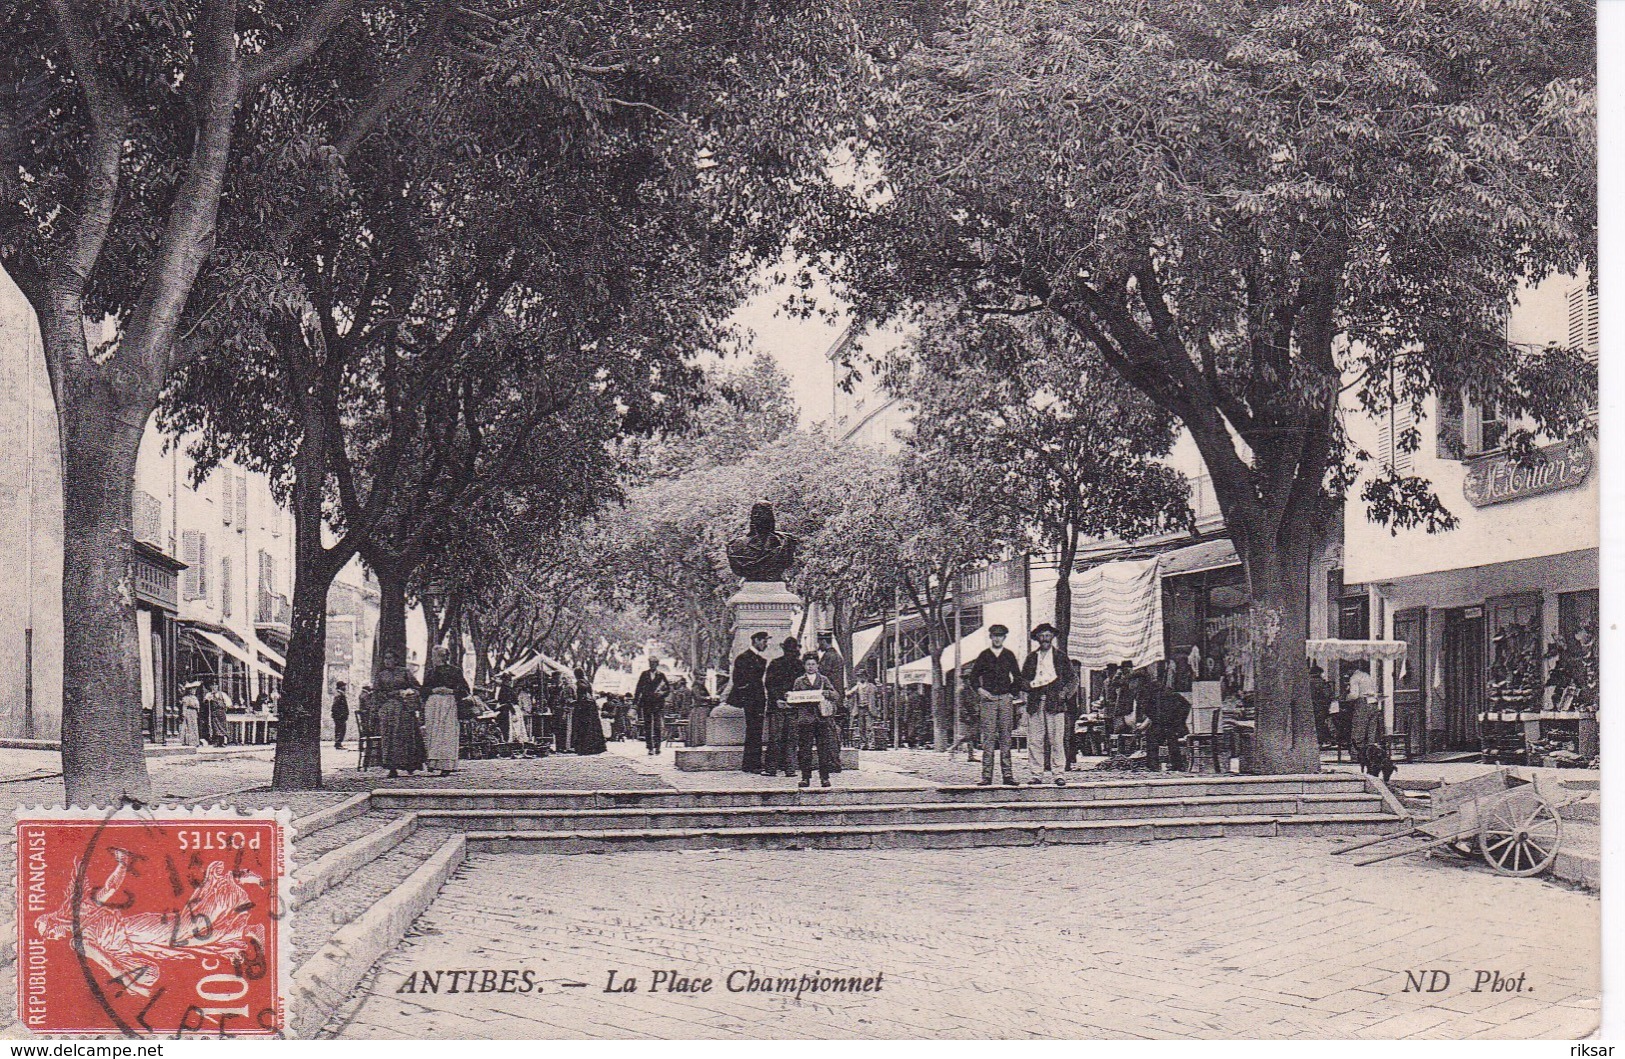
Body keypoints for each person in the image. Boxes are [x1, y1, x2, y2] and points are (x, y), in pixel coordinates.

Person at [966, 624, 1022, 786]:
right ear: (990, 637)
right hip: (988, 700)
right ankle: (986, 776)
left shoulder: (1009, 655)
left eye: (1000, 636)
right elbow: (973, 677)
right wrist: (980, 691)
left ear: (1004, 638)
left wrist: (1011, 693)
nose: (997, 639)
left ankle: (1008, 775)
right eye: (995, 636)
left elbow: (1017, 676)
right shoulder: (984, 655)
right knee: (988, 738)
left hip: (1005, 699)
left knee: (1006, 737)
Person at [1019, 623, 1074, 785]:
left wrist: (1064, 693)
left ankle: (1058, 774)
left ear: (1052, 637)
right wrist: (1029, 686)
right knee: (1035, 740)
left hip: (1055, 704)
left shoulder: (1061, 657)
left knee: (1056, 740)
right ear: (1037, 638)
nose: (1045, 639)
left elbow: (1073, 679)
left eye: (1048, 635)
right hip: (1035, 704)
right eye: (1042, 635)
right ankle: (1036, 774)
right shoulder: (1031, 658)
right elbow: (1023, 679)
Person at [786, 653, 839, 788]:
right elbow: (794, 700)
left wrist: (827, 693)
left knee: (823, 749)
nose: (810, 667)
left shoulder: (823, 680)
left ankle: (824, 778)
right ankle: (805, 778)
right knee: (805, 750)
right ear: (804, 666)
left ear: (817, 665)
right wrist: (789, 698)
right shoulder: (799, 681)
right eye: (808, 664)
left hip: (821, 719)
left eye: (813, 664)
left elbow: (835, 695)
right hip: (805, 719)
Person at [374, 649, 425, 778]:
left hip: (404, 709)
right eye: (385, 658)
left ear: (396, 660)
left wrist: (409, 693)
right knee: (389, 737)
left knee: (406, 736)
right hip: (388, 710)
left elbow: (417, 687)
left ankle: (410, 764)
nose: (387, 661)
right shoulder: (381, 675)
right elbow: (377, 693)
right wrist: (393, 694)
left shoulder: (405, 672)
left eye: (390, 658)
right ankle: (392, 767)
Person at [422, 646, 468, 775]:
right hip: (433, 704)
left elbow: (465, 690)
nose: (433, 659)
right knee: (433, 732)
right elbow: (423, 690)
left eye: (436, 656)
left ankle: (446, 765)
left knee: (447, 732)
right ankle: (433, 763)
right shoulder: (430, 673)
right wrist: (433, 690)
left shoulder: (455, 671)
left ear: (443, 657)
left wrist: (451, 691)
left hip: (448, 703)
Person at [730, 631, 771, 772]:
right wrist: (746, 695)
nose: (766, 644)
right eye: (764, 641)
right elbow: (738, 680)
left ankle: (752, 763)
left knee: (756, 730)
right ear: (756, 640)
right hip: (751, 699)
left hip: (758, 699)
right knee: (753, 730)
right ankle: (752, 764)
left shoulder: (760, 659)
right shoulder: (743, 658)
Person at [763, 637, 803, 777]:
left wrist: (779, 699)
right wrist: (780, 699)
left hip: (784, 707)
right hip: (784, 707)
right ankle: (787, 768)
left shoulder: (778, 663)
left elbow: (769, 684)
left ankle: (774, 768)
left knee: (780, 738)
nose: (791, 653)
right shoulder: (797, 665)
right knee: (787, 739)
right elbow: (769, 684)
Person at [1139, 678, 1191, 771]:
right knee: (1172, 741)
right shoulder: (1173, 694)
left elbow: (1147, 710)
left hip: (1163, 724)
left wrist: (1155, 719)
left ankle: (1153, 765)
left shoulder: (1154, 696)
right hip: (1173, 725)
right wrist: (1180, 720)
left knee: (1151, 738)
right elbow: (1186, 705)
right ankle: (1177, 765)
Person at [633, 658, 671, 756]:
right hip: (646, 703)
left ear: (657, 664)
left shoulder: (661, 675)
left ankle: (657, 747)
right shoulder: (644, 674)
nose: (652, 665)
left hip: (658, 703)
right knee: (647, 726)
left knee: (657, 726)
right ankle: (650, 747)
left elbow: (668, 689)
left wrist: (662, 694)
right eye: (650, 663)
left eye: (654, 663)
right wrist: (635, 703)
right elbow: (638, 689)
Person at [1345, 663, 1382, 755]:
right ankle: (1371, 754)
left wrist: (1346, 697)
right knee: (1371, 732)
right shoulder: (1367, 676)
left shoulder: (1354, 677)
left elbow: (1354, 695)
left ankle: (1356, 754)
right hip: (1374, 703)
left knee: (1359, 730)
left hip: (1363, 703)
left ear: (1350, 670)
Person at [572, 669, 607, 755]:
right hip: (591, 706)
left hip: (583, 707)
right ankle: (595, 747)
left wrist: (577, 702)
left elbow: (581, 694)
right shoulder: (587, 682)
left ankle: (584, 747)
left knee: (583, 726)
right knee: (592, 726)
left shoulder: (579, 682)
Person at [1309, 663, 1336, 747]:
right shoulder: (1321, 682)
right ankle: (1326, 741)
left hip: (1312, 706)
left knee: (1316, 723)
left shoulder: (1307, 682)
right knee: (1322, 723)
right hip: (1321, 706)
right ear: (1319, 673)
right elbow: (1328, 695)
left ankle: (1319, 741)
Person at [851, 672, 879, 750]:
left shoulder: (871, 686)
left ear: (866, 677)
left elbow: (878, 694)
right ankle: (863, 743)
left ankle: (871, 744)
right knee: (861, 727)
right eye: (859, 676)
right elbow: (849, 694)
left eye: (862, 676)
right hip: (860, 709)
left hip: (868, 709)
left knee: (869, 727)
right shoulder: (857, 686)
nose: (861, 678)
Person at [202, 680, 233, 747]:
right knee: (215, 727)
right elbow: (205, 703)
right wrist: (207, 700)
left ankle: (222, 742)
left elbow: (229, 703)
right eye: (212, 686)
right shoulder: (209, 695)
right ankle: (216, 742)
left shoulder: (222, 694)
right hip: (213, 713)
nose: (214, 688)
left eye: (215, 686)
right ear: (210, 687)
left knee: (222, 727)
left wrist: (225, 707)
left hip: (221, 713)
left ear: (217, 687)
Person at [683, 679, 711, 747]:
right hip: (698, 708)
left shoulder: (702, 687)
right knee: (699, 725)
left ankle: (701, 741)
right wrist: (708, 698)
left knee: (702, 725)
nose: (703, 680)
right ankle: (699, 741)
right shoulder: (695, 687)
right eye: (701, 678)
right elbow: (698, 697)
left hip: (702, 708)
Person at [495, 674, 518, 743]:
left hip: (506, 708)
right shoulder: (506, 689)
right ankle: (508, 740)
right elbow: (507, 701)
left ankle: (508, 739)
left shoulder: (504, 689)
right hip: (507, 709)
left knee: (507, 726)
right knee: (507, 726)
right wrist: (513, 712)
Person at [179, 683, 201, 748]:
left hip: (194, 713)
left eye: (195, 690)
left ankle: (195, 742)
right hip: (189, 712)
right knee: (188, 727)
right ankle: (188, 742)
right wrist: (184, 714)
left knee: (194, 727)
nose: (194, 691)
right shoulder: (186, 698)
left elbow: (197, 706)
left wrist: (197, 711)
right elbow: (184, 706)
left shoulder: (195, 698)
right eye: (192, 690)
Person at [331, 681, 350, 750]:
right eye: (344, 686)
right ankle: (338, 743)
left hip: (340, 716)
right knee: (340, 729)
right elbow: (335, 706)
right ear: (341, 687)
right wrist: (340, 714)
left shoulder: (340, 694)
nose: (345, 687)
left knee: (340, 729)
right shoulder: (339, 695)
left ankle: (338, 743)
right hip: (340, 716)